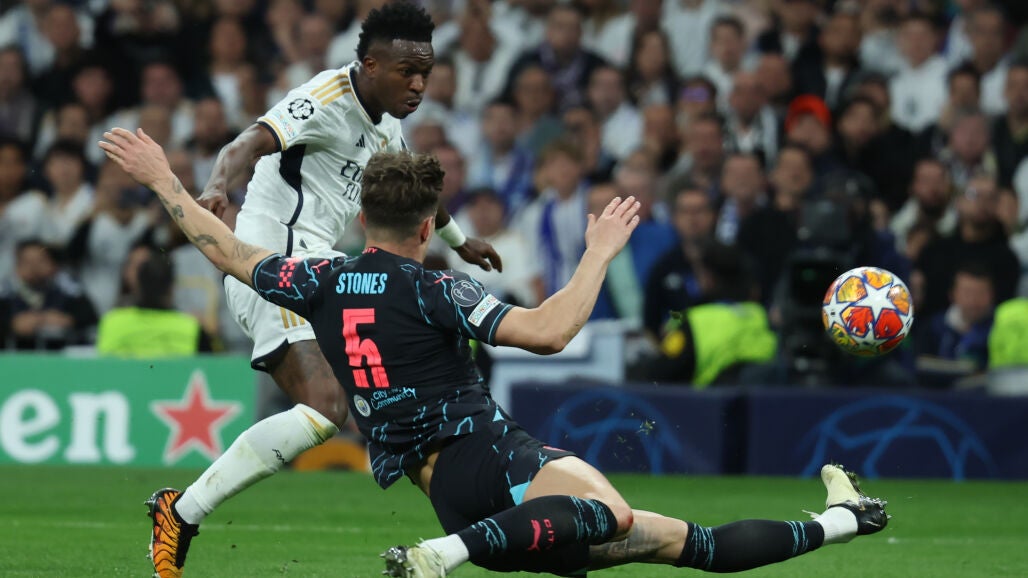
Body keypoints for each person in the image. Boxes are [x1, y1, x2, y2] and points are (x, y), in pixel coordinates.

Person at [102, 126, 888, 578]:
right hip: (487, 460)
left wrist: (164, 180)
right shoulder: (436, 290)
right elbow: (548, 332)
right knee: (612, 514)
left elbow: (226, 250)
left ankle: (844, 521)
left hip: (453, 496)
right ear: (426, 229)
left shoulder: (321, 280)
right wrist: (598, 254)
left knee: (685, 542)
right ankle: (439, 559)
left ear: (362, 219)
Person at [131, 3, 502, 577]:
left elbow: (418, 191)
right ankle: (181, 512)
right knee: (326, 405)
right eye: (407, 72)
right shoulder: (325, 98)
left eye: (425, 73)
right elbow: (245, 144)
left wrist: (458, 241)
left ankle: (473, 502)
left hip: (324, 268)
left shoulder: (386, 123)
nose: (419, 85)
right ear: (371, 65)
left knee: (389, 387)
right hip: (273, 266)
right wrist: (216, 187)